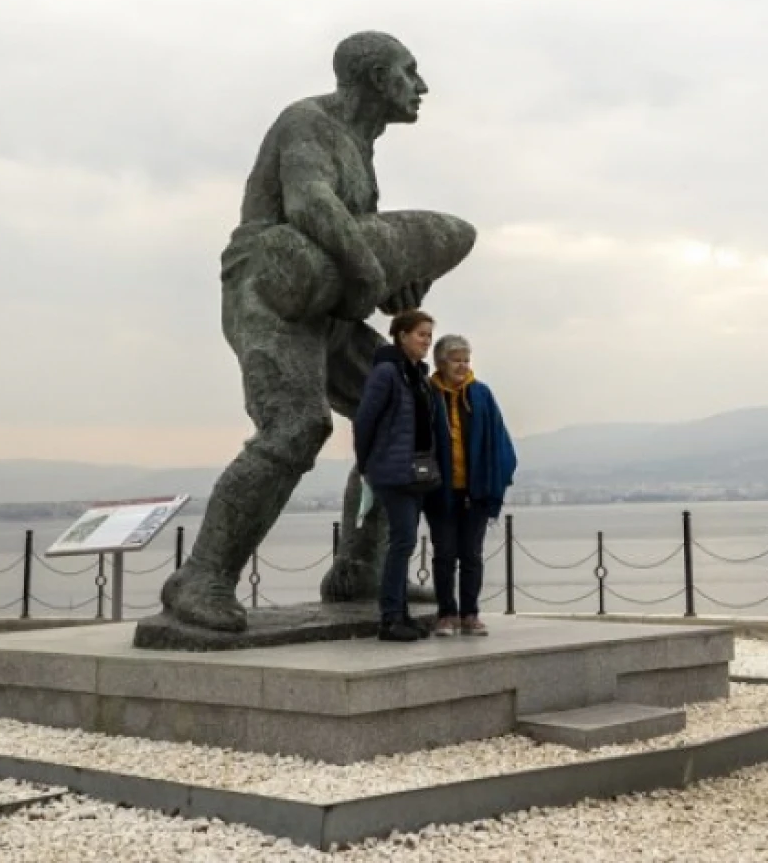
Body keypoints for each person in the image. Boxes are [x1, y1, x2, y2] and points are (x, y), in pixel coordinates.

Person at [156, 31, 474, 633]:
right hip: (272, 295)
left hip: (328, 312)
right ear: (378, 78)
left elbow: (354, 242)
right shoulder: (307, 122)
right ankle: (202, 576)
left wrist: (400, 288)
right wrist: (376, 273)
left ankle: (358, 568)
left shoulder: (361, 145)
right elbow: (310, 205)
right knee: (297, 425)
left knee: (412, 415)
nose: (422, 86)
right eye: (411, 72)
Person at [354, 309, 448, 642]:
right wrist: (366, 463)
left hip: (417, 472)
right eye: (422, 334)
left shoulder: (417, 375)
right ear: (403, 335)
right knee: (403, 541)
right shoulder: (386, 373)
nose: (426, 342)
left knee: (404, 542)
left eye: (429, 336)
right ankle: (390, 618)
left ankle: (401, 614)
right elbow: (364, 419)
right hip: (392, 472)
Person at [424, 334, 518, 636]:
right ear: (440, 363)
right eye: (456, 360)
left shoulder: (481, 395)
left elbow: (500, 440)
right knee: (444, 555)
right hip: (440, 490)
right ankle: (446, 615)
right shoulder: (428, 393)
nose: (463, 365)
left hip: (475, 491)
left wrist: (497, 479)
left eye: (466, 359)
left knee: (472, 555)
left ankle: (470, 614)